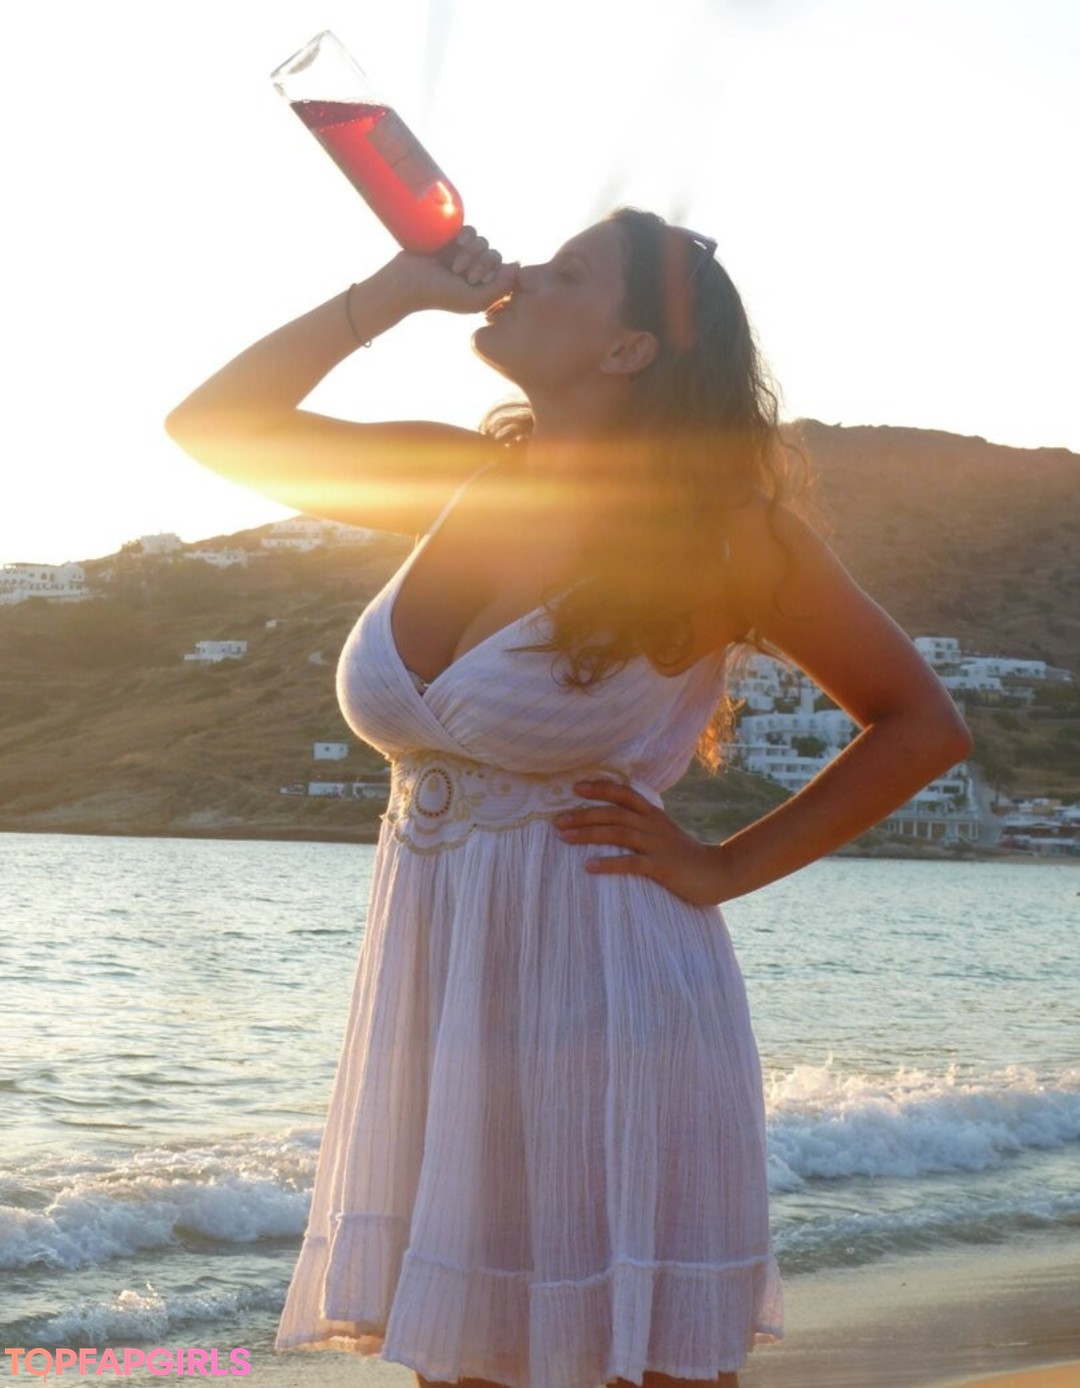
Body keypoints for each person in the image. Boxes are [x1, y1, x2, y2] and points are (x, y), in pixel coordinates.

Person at [165, 209, 973, 1388]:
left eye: (571, 271)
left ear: (629, 347)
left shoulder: (724, 535)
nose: (525, 273)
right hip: (449, 1001)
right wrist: (390, 292)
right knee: (465, 1359)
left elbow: (921, 722)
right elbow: (213, 428)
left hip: (613, 989)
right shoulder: (458, 481)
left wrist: (721, 867)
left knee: (642, 1364)